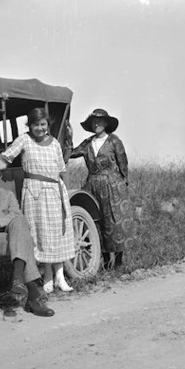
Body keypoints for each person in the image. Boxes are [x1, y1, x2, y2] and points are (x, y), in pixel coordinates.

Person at [0, 156, 55, 317]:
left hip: (9, 237)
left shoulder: (8, 195)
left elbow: (18, 217)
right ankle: (32, 296)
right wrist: (2, 225)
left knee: (20, 225)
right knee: (23, 237)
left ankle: (19, 279)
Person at [0, 107, 76, 294]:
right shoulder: (25, 140)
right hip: (34, 193)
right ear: (30, 126)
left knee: (57, 233)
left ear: (47, 125)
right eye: (36, 125)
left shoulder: (55, 143)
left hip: (55, 191)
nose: (40, 128)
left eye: (43, 124)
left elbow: (62, 170)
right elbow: (6, 156)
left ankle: (60, 276)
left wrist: (64, 194)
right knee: (41, 234)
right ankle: (47, 275)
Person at [70, 108, 134, 269]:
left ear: (106, 123)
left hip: (113, 184)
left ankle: (118, 261)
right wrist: (68, 136)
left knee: (115, 221)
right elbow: (70, 153)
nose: (96, 124)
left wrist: (123, 183)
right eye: (94, 121)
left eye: (99, 121)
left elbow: (123, 164)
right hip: (92, 185)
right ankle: (105, 262)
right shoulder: (87, 143)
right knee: (98, 222)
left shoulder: (114, 141)